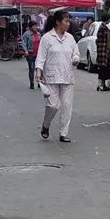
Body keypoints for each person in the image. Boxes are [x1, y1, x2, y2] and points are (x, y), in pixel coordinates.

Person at [35, 8, 79, 143]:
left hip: (67, 76)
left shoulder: (70, 38)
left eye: (69, 21)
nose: (68, 23)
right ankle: (46, 125)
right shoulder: (47, 38)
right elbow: (41, 57)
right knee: (53, 105)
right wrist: (38, 71)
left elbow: (76, 53)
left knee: (66, 106)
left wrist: (76, 58)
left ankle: (63, 133)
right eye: (66, 21)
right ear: (58, 22)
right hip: (51, 77)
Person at [21, 20, 40, 89]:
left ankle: (39, 82)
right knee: (31, 68)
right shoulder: (26, 34)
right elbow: (23, 43)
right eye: (34, 26)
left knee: (39, 69)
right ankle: (32, 83)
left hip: (39, 54)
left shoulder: (38, 33)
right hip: (31, 54)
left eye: (36, 26)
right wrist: (25, 50)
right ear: (31, 27)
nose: (36, 27)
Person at [95, 16, 110, 90]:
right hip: (103, 51)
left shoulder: (102, 27)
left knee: (103, 68)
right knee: (103, 69)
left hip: (101, 50)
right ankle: (101, 85)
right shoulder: (103, 28)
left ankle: (102, 85)